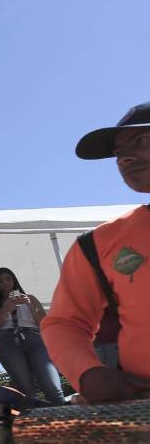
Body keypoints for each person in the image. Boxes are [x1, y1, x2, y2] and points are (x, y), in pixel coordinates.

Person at [43, 101, 150, 403]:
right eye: (118, 153)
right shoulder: (98, 244)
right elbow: (64, 323)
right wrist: (88, 373)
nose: (125, 158)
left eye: (141, 140)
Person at [0, 267, 64, 404]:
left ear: (14, 280)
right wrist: (6, 309)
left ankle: (64, 415)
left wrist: (29, 304)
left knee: (51, 384)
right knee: (25, 388)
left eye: (8, 279)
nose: (5, 283)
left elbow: (44, 322)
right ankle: (33, 421)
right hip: (7, 340)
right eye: (0, 281)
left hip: (33, 337)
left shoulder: (30, 298)